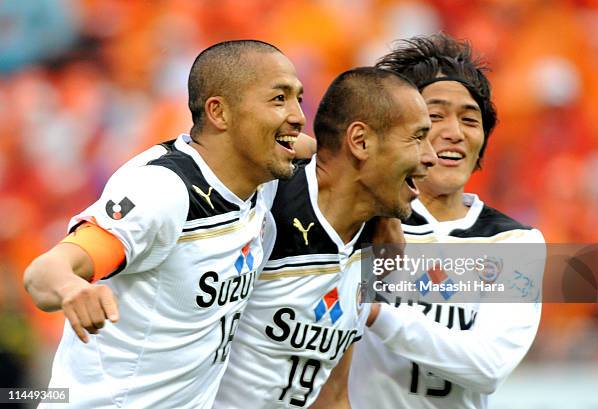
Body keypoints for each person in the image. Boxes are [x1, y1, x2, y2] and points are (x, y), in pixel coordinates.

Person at [23, 40, 305, 409]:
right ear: (219, 113)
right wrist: (71, 289)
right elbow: (43, 273)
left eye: (298, 98)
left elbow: (321, 153)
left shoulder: (260, 176)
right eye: (279, 99)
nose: (299, 115)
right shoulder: (163, 192)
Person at [213, 67, 436, 409]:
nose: (430, 157)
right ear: (360, 141)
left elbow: (331, 397)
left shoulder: (373, 242)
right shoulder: (268, 200)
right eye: (418, 137)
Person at [348, 33, 546, 409]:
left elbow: (489, 366)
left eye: (470, 120)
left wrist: (376, 312)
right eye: (434, 115)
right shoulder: (354, 219)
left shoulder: (515, 243)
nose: (454, 133)